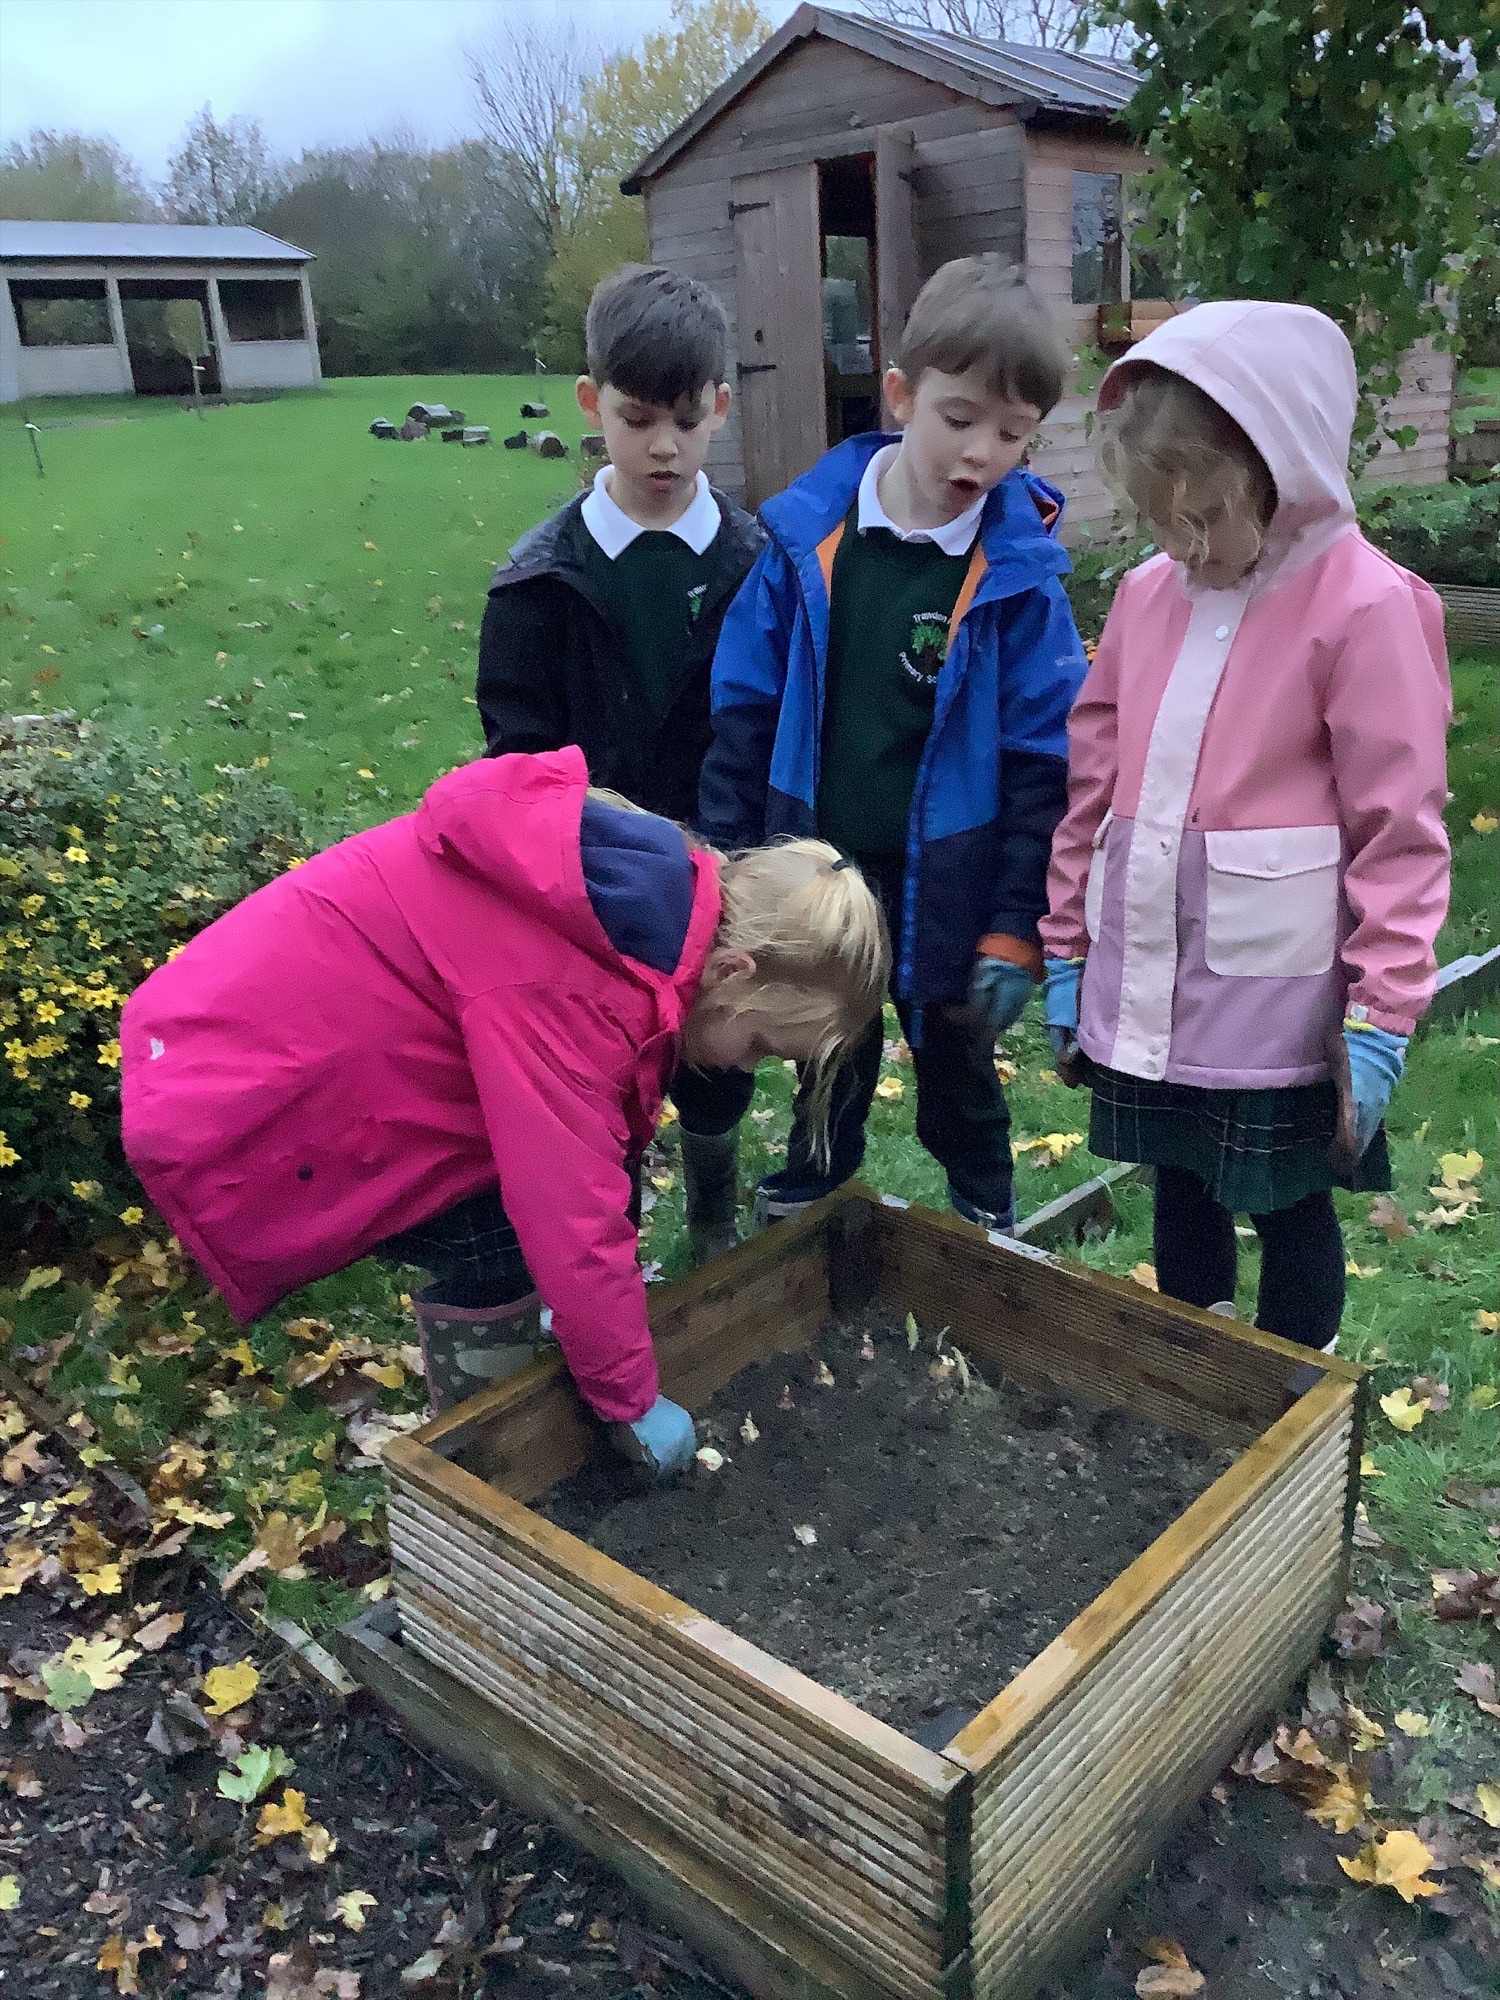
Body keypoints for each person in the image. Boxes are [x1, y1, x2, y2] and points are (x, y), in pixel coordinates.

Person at [120, 748, 888, 1473]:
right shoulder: (577, 983)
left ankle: (535, 1348)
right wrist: (632, 1399)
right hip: (239, 1090)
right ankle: (487, 1453)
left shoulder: (650, 901)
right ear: (732, 970)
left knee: (522, 1229)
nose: (742, 1066)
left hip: (246, 1044)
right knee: (496, 1239)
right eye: (757, 1043)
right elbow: (569, 1207)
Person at [1041, 300, 1451, 1351]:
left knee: (1286, 1200)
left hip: (1276, 1004)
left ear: (1284, 468)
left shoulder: (1365, 607)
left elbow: (1398, 828)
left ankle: (1289, 1396)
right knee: (1179, 1176)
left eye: (1209, 522)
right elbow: (1094, 775)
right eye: (1164, 528)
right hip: (1152, 980)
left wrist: (1382, 1013)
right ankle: (1199, 1370)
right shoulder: (1145, 598)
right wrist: (1066, 947)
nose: (1190, 551)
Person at [698, 256, 1089, 1231]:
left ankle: (983, 1205)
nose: (980, 455)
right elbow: (742, 715)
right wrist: (727, 864)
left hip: (954, 870)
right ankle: (817, 1180)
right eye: (959, 420)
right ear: (903, 393)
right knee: (829, 1034)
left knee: (956, 1048)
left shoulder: (1021, 582)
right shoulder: (806, 542)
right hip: (821, 856)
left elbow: (1047, 767)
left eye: (1013, 435)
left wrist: (1013, 926)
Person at [476, 264, 765, 1266]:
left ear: (720, 407)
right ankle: (608, 1240)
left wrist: (736, 857)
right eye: (639, 418)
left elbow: (765, 729)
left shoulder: (756, 568)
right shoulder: (537, 582)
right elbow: (515, 758)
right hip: (585, 882)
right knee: (599, 1070)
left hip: (722, 870)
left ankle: (715, 1213)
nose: (664, 446)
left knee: (717, 1061)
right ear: (593, 404)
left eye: (687, 420)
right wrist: (584, 860)